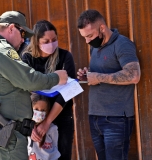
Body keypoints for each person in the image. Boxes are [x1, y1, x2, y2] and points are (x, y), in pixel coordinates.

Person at [0, 11, 68, 160]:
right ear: (11, 28)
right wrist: (57, 77)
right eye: (22, 33)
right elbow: (28, 80)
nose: (23, 40)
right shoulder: (1, 50)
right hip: (2, 134)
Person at [76, 9, 141, 160]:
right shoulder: (94, 47)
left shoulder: (122, 44)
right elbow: (103, 72)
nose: (87, 41)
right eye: (84, 37)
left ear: (102, 28)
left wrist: (98, 77)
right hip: (96, 116)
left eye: (90, 36)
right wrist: (88, 75)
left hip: (116, 118)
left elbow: (134, 75)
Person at [22, 20, 75, 160]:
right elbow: (24, 90)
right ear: (36, 41)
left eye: (54, 40)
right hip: (35, 117)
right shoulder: (27, 58)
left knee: (62, 155)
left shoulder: (65, 57)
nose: (51, 44)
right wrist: (32, 125)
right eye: (46, 41)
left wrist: (47, 123)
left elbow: (67, 92)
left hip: (61, 115)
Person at [27, 93, 60, 160]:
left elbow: (55, 149)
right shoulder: (24, 128)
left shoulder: (52, 128)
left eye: (43, 110)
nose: (39, 113)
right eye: (36, 109)